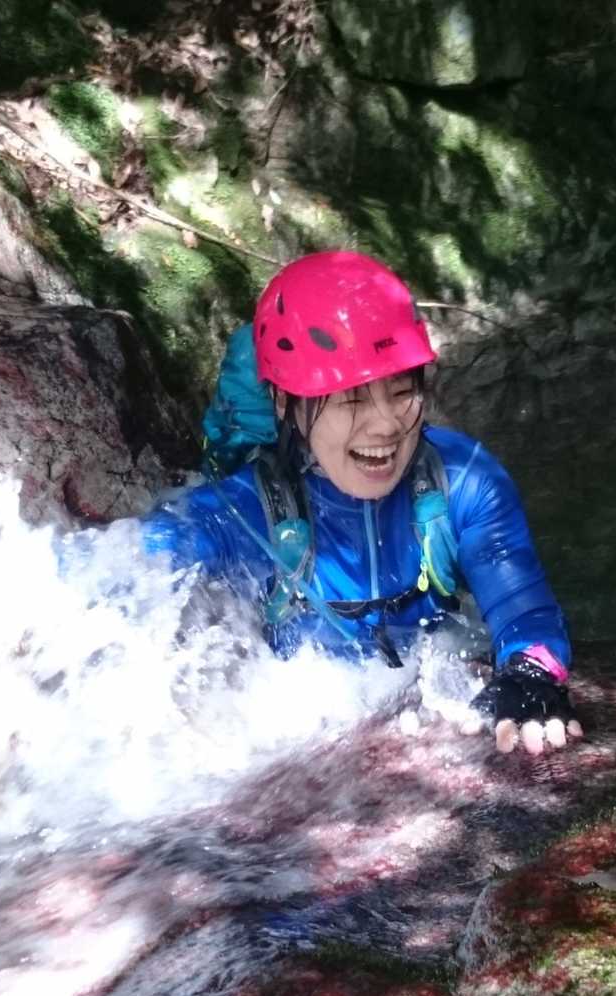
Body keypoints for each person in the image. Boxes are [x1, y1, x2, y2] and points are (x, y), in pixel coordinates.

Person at [141, 251, 577, 755]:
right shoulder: (242, 513)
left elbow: (524, 611)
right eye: (351, 398)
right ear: (284, 403)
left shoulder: (461, 483)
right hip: (301, 738)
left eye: (402, 391)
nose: (386, 424)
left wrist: (529, 675)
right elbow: (129, 564)